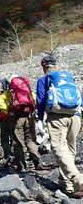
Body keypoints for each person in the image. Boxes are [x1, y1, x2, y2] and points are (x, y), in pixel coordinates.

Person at [36, 55, 83, 196]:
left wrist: (39, 119)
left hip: (57, 118)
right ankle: (66, 183)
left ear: (43, 66)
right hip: (75, 117)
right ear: (56, 65)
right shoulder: (68, 78)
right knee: (69, 149)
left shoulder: (44, 80)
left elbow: (41, 100)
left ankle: (78, 179)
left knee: (58, 148)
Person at [7, 76, 42, 171]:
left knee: (18, 142)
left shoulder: (10, 91)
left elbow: (5, 104)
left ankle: (21, 166)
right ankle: (37, 162)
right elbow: (34, 101)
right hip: (29, 117)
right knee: (30, 140)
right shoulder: (27, 90)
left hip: (17, 119)